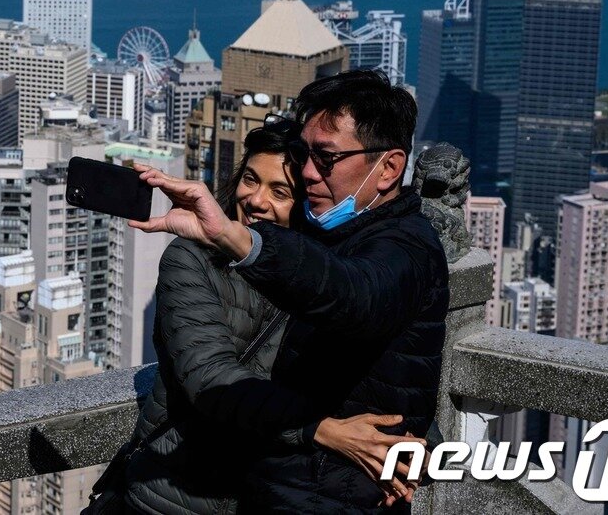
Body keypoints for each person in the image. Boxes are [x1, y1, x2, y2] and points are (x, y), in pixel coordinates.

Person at [130, 70, 449, 513]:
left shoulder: (379, 251)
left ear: (389, 168)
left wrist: (414, 442)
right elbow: (209, 374)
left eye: (325, 159)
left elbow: (358, 302)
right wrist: (324, 429)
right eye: (306, 157)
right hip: (193, 494)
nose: (312, 173)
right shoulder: (198, 259)